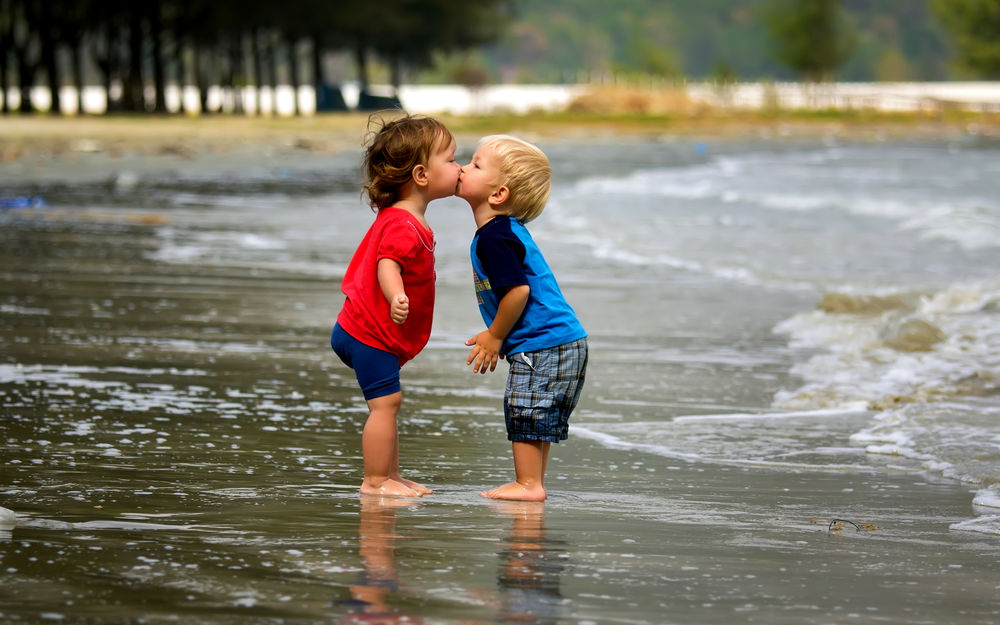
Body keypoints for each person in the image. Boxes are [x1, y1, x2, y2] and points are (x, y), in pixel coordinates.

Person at [330, 113, 460, 498]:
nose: (458, 168)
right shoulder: (404, 223)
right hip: (368, 332)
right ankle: (375, 481)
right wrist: (396, 295)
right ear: (422, 175)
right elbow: (388, 263)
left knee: (388, 404)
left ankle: (392, 475)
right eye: (451, 160)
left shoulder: (406, 216)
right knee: (386, 404)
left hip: (363, 328)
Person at [457, 135, 588, 501]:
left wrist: (495, 336)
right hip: (561, 340)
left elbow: (518, 292)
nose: (464, 167)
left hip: (544, 342)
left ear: (498, 194)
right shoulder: (502, 231)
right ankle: (534, 482)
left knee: (526, 407)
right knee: (536, 412)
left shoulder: (494, 237)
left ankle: (529, 485)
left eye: (476, 164)